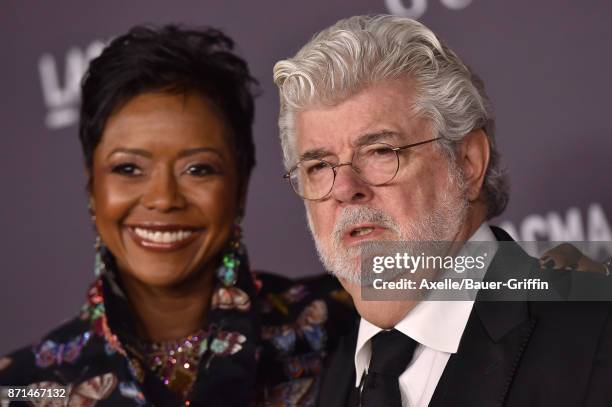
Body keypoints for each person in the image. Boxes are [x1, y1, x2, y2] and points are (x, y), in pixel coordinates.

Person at [0, 25, 355, 406]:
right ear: (92, 187)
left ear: (241, 186)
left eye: (198, 169)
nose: (164, 199)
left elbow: (426, 269)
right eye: (128, 169)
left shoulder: (339, 319)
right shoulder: (21, 387)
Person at [272, 14, 612, 407]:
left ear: (467, 164)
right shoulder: (333, 374)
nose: (346, 189)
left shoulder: (596, 334)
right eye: (318, 167)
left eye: (381, 151)